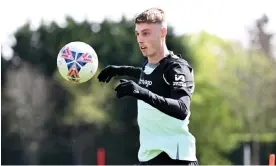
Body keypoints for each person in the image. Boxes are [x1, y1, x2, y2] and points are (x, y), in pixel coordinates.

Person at [97, 8, 198, 165]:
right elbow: (149, 76)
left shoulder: (177, 68)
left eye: (146, 33)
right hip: (149, 157)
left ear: (162, 32)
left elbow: (182, 108)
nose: (140, 39)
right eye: (137, 34)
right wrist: (120, 70)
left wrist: (140, 91)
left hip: (175, 157)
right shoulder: (149, 65)